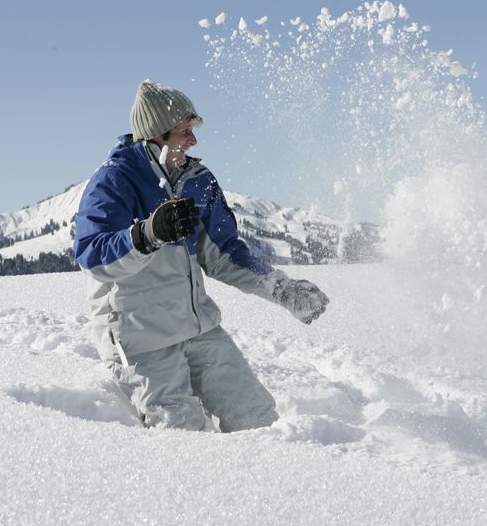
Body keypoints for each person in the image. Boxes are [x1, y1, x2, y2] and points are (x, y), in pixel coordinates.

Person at [74, 80, 329, 432]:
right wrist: (148, 234)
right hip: (141, 339)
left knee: (258, 420)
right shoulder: (115, 180)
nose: (193, 140)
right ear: (157, 136)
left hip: (198, 329)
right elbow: (92, 255)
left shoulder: (197, 180)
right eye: (184, 131)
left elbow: (225, 252)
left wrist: (281, 289)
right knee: (183, 438)